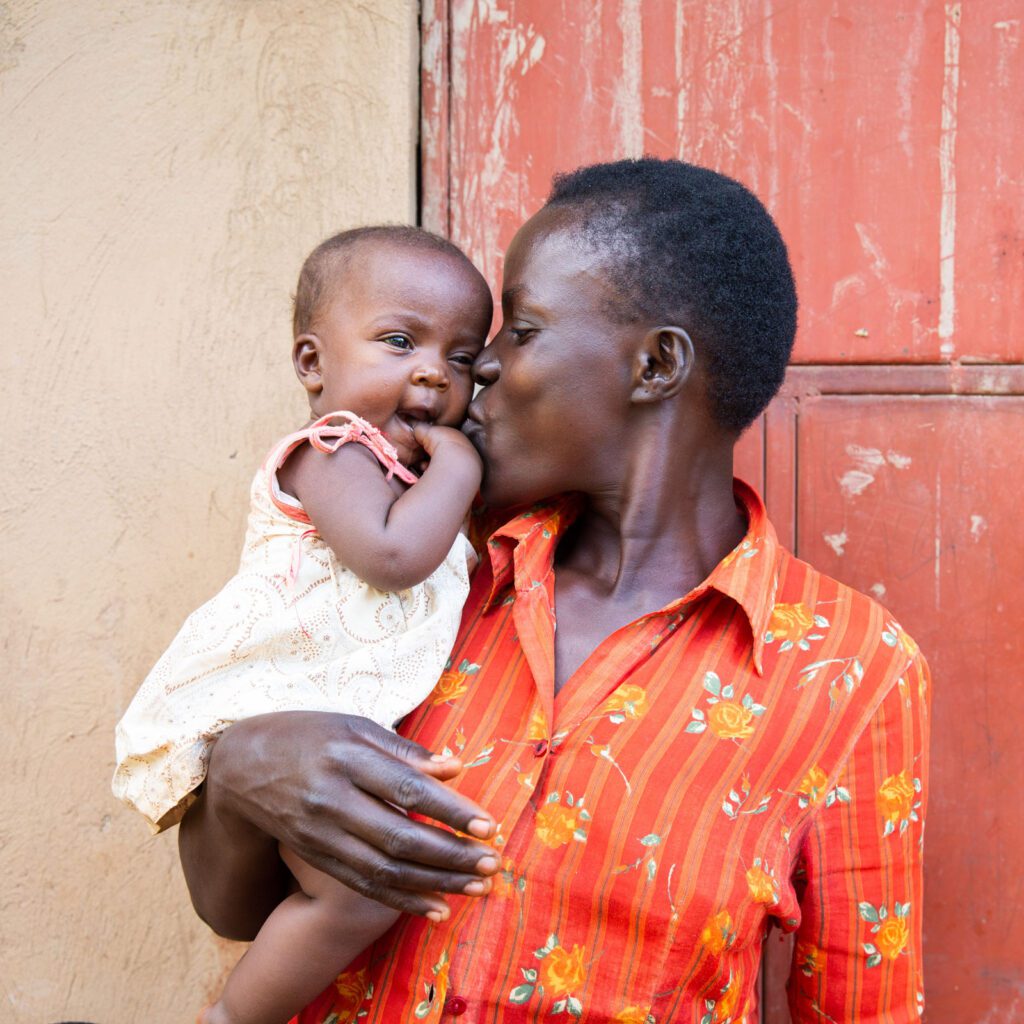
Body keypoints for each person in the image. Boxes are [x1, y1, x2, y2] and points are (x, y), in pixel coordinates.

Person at [127, 159, 929, 1023]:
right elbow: (232, 906)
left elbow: (860, 1005)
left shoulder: (850, 670)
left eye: (523, 330)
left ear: (654, 365)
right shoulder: (426, 575)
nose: (480, 374)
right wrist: (243, 769)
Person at [112, 225, 494, 1024]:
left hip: (335, 704)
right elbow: (392, 557)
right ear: (312, 364)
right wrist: (459, 468)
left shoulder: (400, 471)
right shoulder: (332, 450)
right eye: (398, 341)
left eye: (461, 359)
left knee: (355, 887)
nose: (433, 372)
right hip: (288, 693)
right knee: (360, 893)